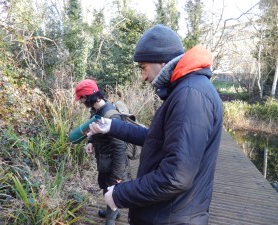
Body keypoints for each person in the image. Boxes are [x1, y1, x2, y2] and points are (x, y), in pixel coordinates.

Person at [88, 24, 223, 225]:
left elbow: (176, 176)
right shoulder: (188, 89)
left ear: (161, 62)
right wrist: (113, 126)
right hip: (172, 212)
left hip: (170, 216)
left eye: (143, 67)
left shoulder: (189, 96)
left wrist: (120, 194)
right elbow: (158, 139)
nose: (143, 77)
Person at [75, 79, 130, 225]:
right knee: (104, 185)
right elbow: (93, 128)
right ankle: (112, 211)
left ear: (88, 96)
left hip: (114, 161)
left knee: (112, 190)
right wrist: (90, 142)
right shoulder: (96, 109)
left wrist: (118, 175)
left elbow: (120, 147)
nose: (81, 102)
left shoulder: (111, 116)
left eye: (81, 98)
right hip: (103, 159)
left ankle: (110, 220)